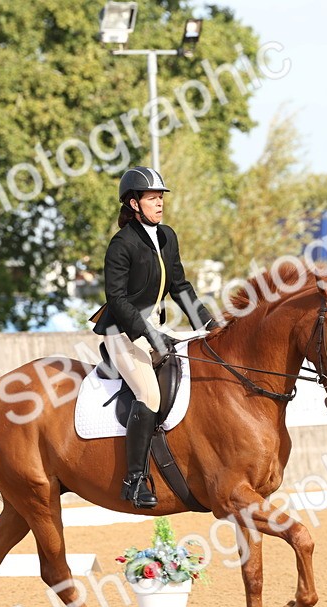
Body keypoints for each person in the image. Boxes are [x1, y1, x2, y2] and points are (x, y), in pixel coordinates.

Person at [87, 167, 220, 509]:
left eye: (161, 197)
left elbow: (180, 285)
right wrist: (149, 333)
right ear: (134, 203)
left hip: (157, 331)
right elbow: (117, 299)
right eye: (152, 198)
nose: (160, 203)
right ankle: (134, 479)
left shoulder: (166, 236)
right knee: (148, 394)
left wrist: (209, 323)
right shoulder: (121, 244)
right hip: (124, 333)